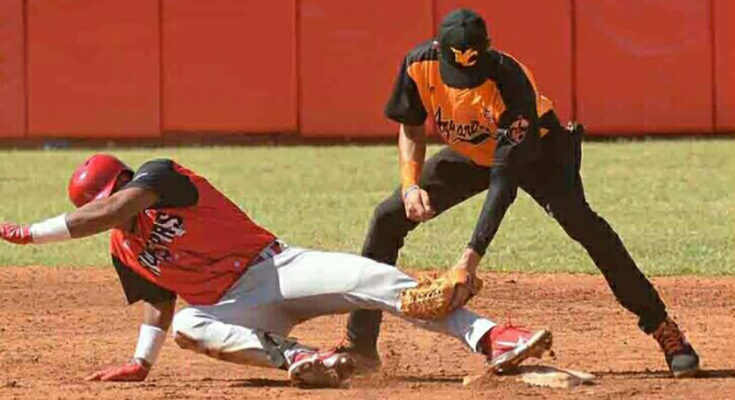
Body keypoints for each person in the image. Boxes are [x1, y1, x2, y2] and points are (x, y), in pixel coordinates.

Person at [341, 8, 699, 378]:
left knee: (586, 227)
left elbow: (504, 182)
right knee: (387, 218)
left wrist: (468, 261)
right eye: (458, 75)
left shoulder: (511, 80)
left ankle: (663, 328)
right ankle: (360, 345)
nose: (466, 83)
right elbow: (412, 127)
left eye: (473, 75)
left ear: (489, 51)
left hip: (539, 153)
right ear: (438, 50)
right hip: (473, 153)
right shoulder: (419, 65)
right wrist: (410, 184)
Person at [0, 154, 553, 388]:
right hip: (237, 307)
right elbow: (159, 301)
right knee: (192, 326)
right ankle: (305, 360)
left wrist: (31, 232)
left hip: (277, 269)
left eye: (120, 189)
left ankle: (492, 337)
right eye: (111, 194)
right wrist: (141, 361)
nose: (121, 198)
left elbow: (113, 211)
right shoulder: (122, 248)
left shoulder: (160, 175)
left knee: (374, 281)